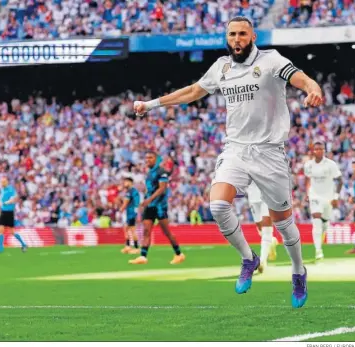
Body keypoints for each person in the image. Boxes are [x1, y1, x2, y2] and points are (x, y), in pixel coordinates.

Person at [134, 16, 323, 308]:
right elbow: (193, 91)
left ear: (253, 37)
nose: (237, 39)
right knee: (218, 206)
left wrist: (312, 87)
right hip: (235, 149)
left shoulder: (271, 60)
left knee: (284, 224)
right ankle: (249, 258)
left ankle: (298, 271)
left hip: (270, 151)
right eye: (232, 34)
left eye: (242, 34)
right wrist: (152, 104)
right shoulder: (221, 67)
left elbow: (298, 76)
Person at [129, 152, 186, 265]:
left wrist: (149, 199)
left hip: (159, 206)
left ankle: (179, 254)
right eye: (146, 158)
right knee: (146, 231)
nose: (147, 160)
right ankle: (143, 256)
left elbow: (162, 189)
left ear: (156, 159)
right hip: (149, 206)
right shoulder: (150, 173)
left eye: (150, 157)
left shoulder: (161, 172)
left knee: (167, 232)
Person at [304, 142, 343, 260]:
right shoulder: (308, 165)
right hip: (315, 196)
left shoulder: (331, 164)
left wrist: (336, 197)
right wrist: (307, 193)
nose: (319, 151)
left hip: (328, 197)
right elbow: (307, 180)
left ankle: (323, 231)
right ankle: (318, 251)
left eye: (321, 149)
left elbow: (340, 180)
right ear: (313, 151)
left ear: (324, 151)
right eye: (316, 149)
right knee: (316, 220)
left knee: (325, 223)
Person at [247, 181, 278, 273]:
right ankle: (271, 241)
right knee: (260, 229)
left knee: (266, 229)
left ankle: (262, 260)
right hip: (253, 196)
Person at [0, 176, 27, 254]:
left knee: (12, 232)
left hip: (9, 212)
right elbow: (0, 199)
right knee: (0, 230)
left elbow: (14, 199)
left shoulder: (10, 189)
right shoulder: (2, 190)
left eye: (3, 182)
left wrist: (7, 202)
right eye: (1, 182)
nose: (2, 184)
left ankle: (23, 244)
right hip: (3, 212)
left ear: (6, 182)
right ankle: (0, 248)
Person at [119, 177, 140, 254]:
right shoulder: (134, 191)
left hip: (131, 213)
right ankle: (128, 246)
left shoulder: (130, 191)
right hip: (132, 212)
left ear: (130, 182)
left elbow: (126, 202)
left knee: (132, 230)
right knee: (126, 228)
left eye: (125, 182)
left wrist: (121, 209)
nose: (124, 184)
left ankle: (136, 248)